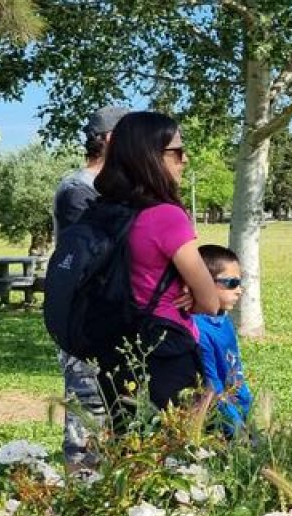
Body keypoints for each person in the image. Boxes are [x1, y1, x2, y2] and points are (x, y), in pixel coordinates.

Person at [90, 111, 222, 423]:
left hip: (113, 344)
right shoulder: (166, 216)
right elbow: (211, 302)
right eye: (177, 151)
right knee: (180, 455)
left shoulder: (104, 210)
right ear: (150, 156)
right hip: (165, 346)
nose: (184, 159)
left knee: (130, 452)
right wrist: (192, 295)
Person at [52, 105, 128, 468]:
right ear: (112, 139)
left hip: (113, 316)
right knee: (88, 407)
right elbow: (96, 253)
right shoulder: (77, 190)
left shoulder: (113, 190)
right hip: (84, 319)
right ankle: (80, 486)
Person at [193, 244, 253, 438]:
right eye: (232, 283)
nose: (239, 290)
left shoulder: (224, 320)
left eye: (240, 282)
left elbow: (236, 372)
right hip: (219, 424)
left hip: (239, 413)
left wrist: (247, 413)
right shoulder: (198, 329)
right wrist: (236, 429)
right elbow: (213, 386)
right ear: (204, 282)